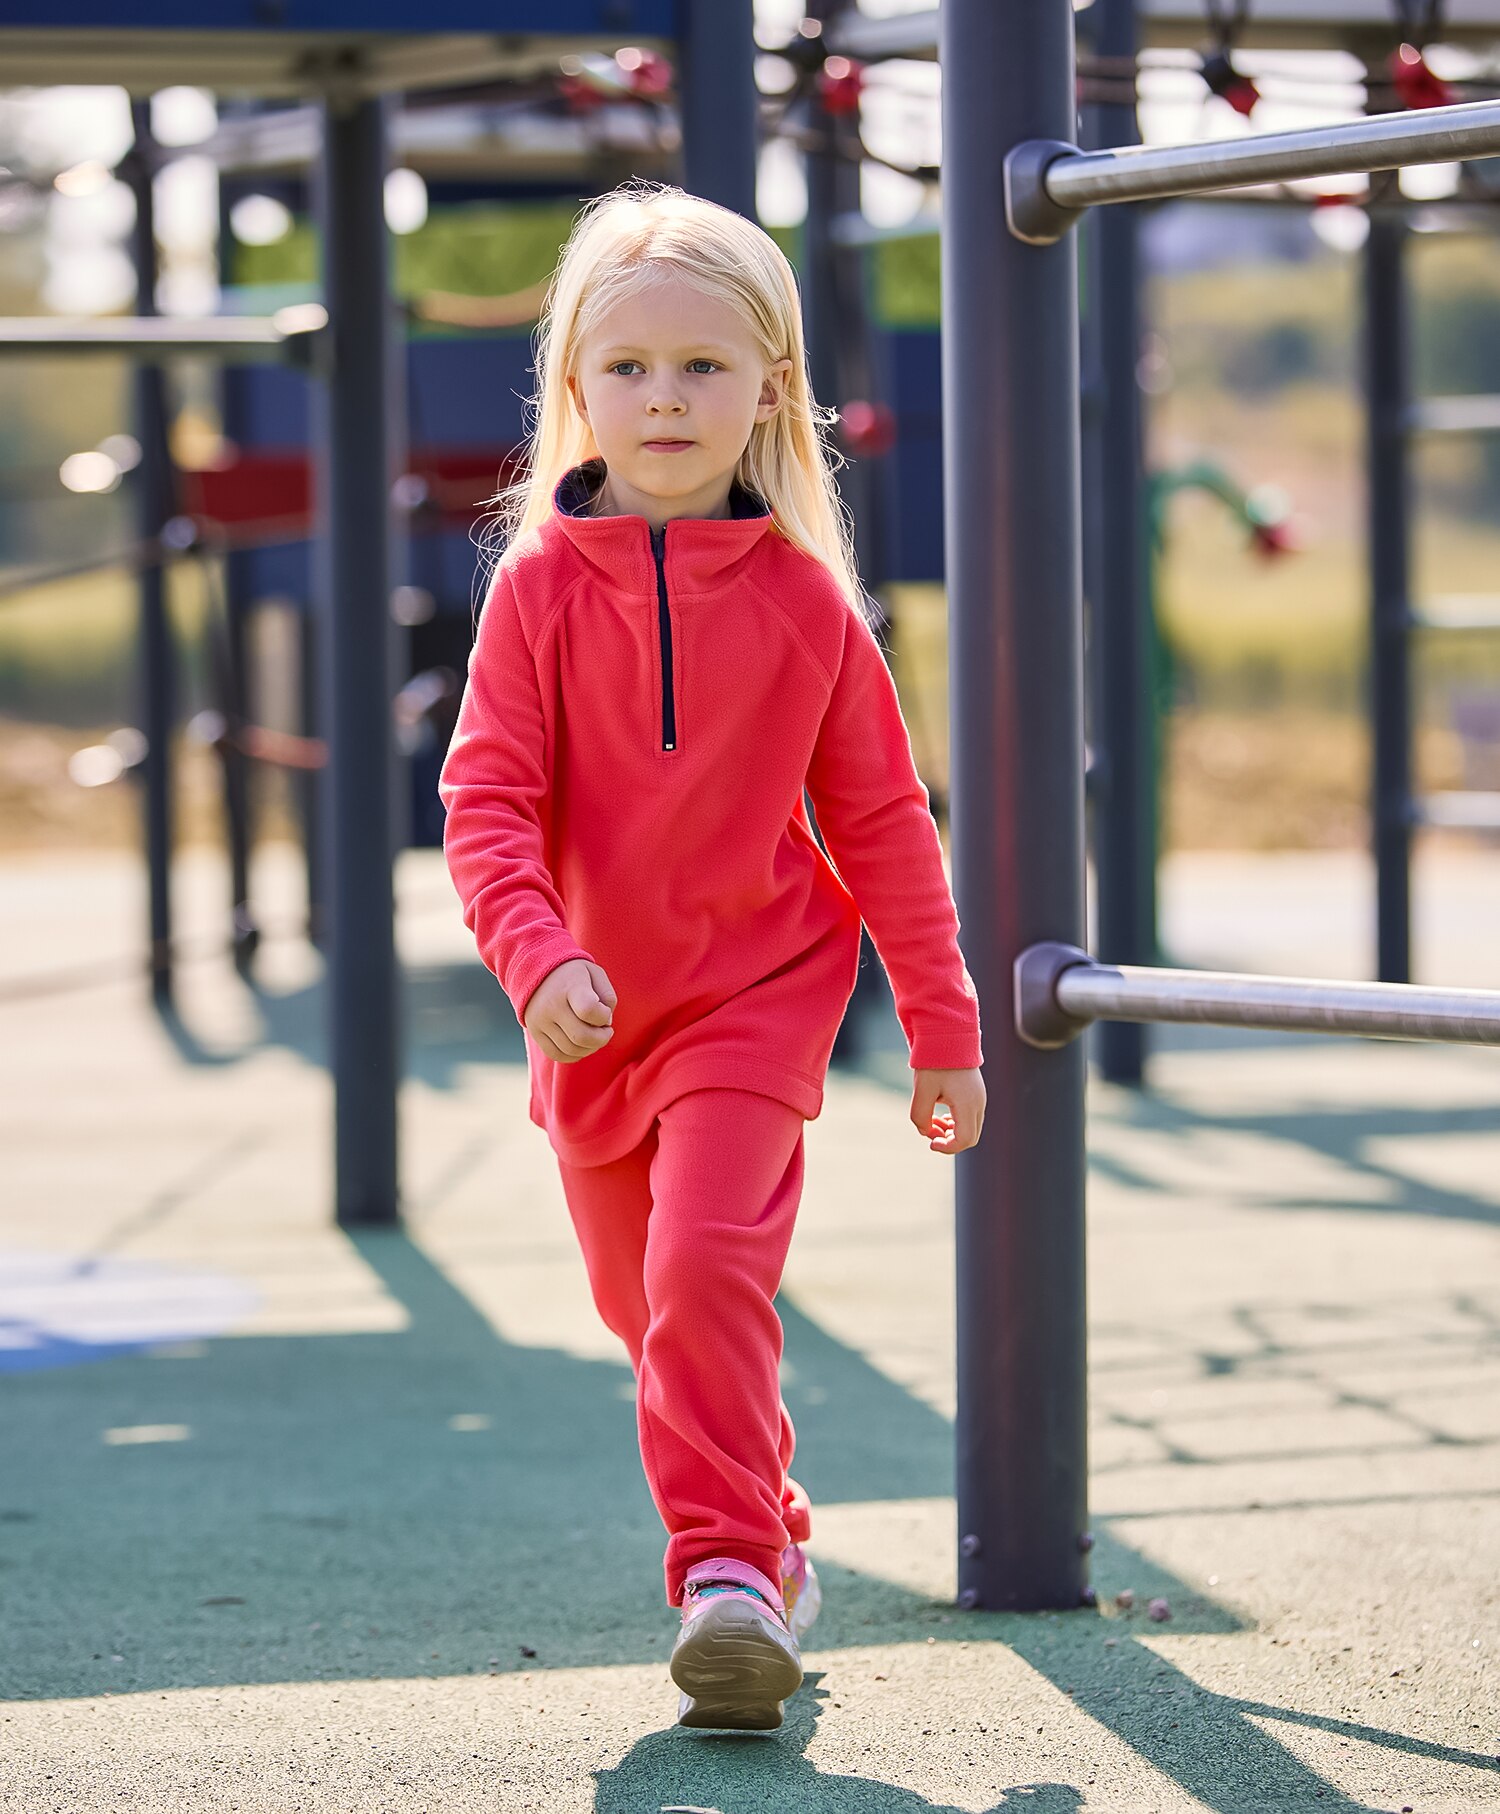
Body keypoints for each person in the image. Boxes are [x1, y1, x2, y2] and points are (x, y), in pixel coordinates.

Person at [438, 179, 985, 1732]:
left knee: (701, 1267)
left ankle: (729, 1574)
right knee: (647, 1308)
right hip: (592, 1020)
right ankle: (778, 1532)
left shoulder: (811, 605)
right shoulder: (537, 587)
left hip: (755, 1002)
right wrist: (536, 958)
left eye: (703, 366)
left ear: (771, 389)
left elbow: (884, 822)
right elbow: (485, 802)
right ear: (576, 392)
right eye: (628, 368)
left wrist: (943, 1026)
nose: (665, 397)